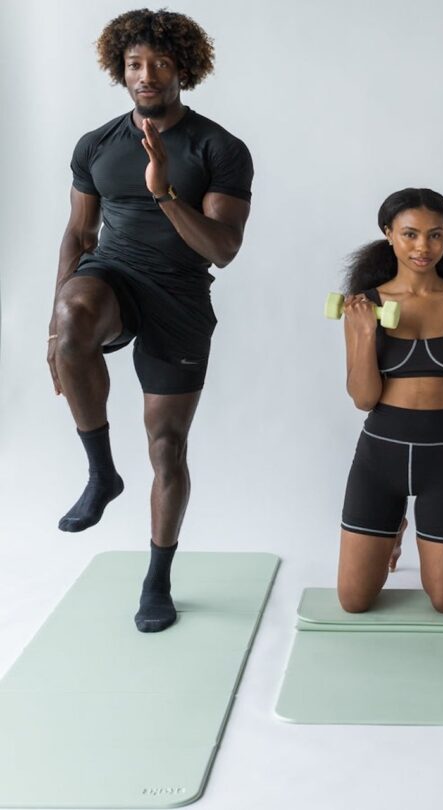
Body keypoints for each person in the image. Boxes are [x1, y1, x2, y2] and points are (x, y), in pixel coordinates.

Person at [46, 9, 253, 632]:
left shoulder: (218, 147)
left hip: (179, 297)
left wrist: (164, 192)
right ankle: (102, 474)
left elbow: (222, 249)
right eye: (135, 64)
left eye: (160, 64)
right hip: (111, 278)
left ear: (182, 69)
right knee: (72, 312)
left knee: (167, 446)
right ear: (120, 69)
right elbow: (80, 233)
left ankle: (157, 577)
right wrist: (54, 333)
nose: (147, 75)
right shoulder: (96, 145)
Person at [337, 188, 443, 614]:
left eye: (435, 235)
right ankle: (394, 531)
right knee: (353, 601)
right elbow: (363, 398)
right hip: (379, 458)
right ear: (388, 234)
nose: (423, 247)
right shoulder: (364, 305)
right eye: (410, 234)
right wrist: (366, 334)